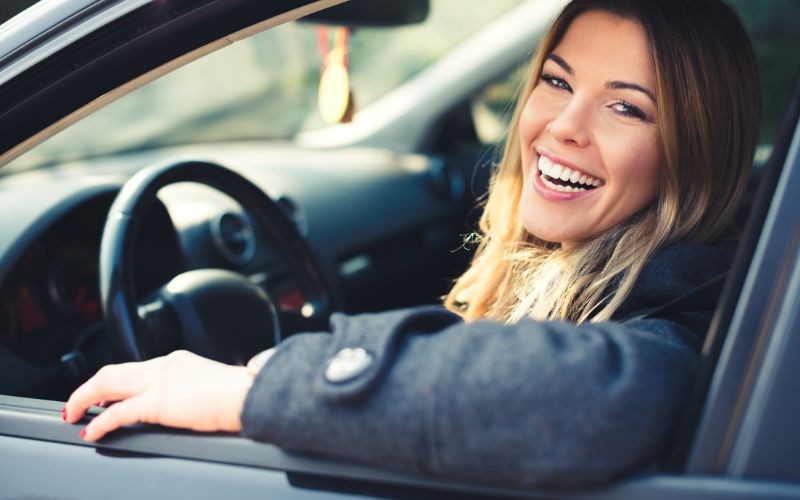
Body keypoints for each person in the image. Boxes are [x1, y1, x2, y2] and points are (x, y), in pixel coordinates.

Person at [62, 0, 760, 487]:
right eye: (556, 80)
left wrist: (252, 390)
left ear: (693, 151)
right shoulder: (576, 270)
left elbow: (614, 397)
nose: (563, 127)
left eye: (626, 107)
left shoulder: (695, 314)